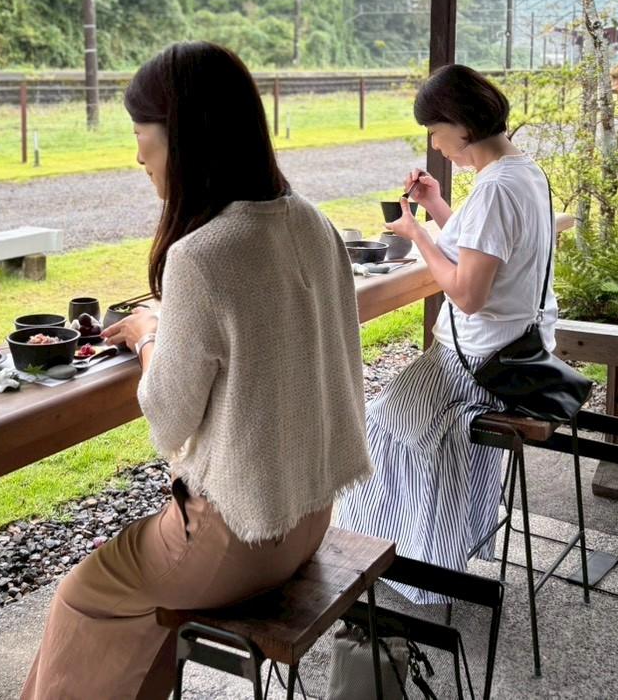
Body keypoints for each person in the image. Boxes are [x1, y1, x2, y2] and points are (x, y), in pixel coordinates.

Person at [21, 42, 371, 700]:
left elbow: (169, 415)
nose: (137, 156)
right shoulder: (313, 222)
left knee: (83, 597)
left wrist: (151, 334)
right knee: (134, 615)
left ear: (180, 138)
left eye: (140, 136)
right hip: (307, 515)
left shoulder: (202, 255)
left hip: (233, 540)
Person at [336, 64, 558, 603]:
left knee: (379, 423)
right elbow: (487, 248)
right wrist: (436, 207)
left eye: (435, 132)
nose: (435, 144)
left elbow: (466, 293)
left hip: (481, 362)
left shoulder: (495, 189)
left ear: (459, 125)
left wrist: (414, 231)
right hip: (521, 349)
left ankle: (405, 555)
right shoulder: (522, 173)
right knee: (394, 414)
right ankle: (428, 540)